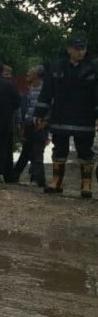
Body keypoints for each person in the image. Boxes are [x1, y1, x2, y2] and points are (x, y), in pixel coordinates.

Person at [34, 38, 98, 198]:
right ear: (69, 49)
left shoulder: (93, 68)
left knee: (85, 151)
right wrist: (39, 113)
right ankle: (56, 182)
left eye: (83, 48)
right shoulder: (57, 67)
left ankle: (86, 184)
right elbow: (47, 91)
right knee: (59, 149)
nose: (80, 52)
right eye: (77, 49)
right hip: (60, 115)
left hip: (85, 116)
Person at [13, 65, 48, 187]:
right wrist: (22, 125)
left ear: (37, 75)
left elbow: (51, 107)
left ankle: (36, 179)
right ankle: (16, 175)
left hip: (39, 124)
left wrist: (45, 122)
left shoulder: (46, 90)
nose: (27, 73)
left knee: (37, 152)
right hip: (28, 124)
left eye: (30, 72)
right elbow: (25, 108)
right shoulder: (29, 89)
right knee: (27, 151)